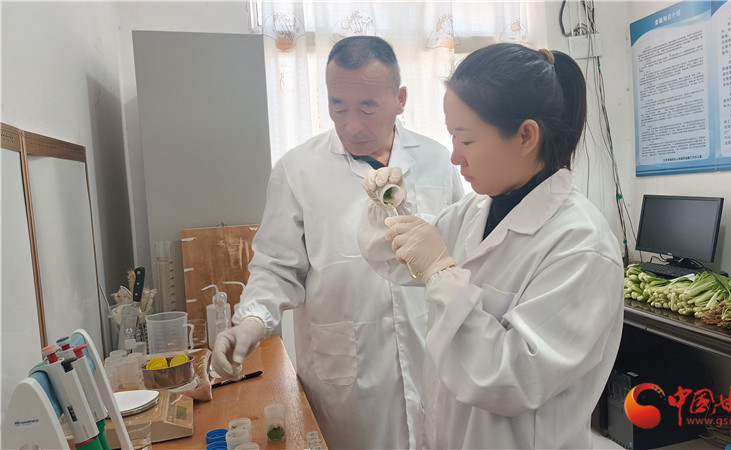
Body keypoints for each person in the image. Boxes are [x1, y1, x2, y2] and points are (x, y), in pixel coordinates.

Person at [358, 43, 624, 449]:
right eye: (452, 137)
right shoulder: (474, 211)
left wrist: (442, 273)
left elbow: (511, 378)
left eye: (465, 140)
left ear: (525, 136)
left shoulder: (581, 246)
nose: (454, 157)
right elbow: (395, 262)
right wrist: (387, 208)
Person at [210, 36, 463, 449]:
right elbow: (276, 266)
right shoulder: (298, 170)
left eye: (367, 106)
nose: (352, 125)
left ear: (400, 99)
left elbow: (459, 255)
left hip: (431, 365)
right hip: (347, 386)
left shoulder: (438, 161)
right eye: (338, 106)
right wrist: (251, 323)